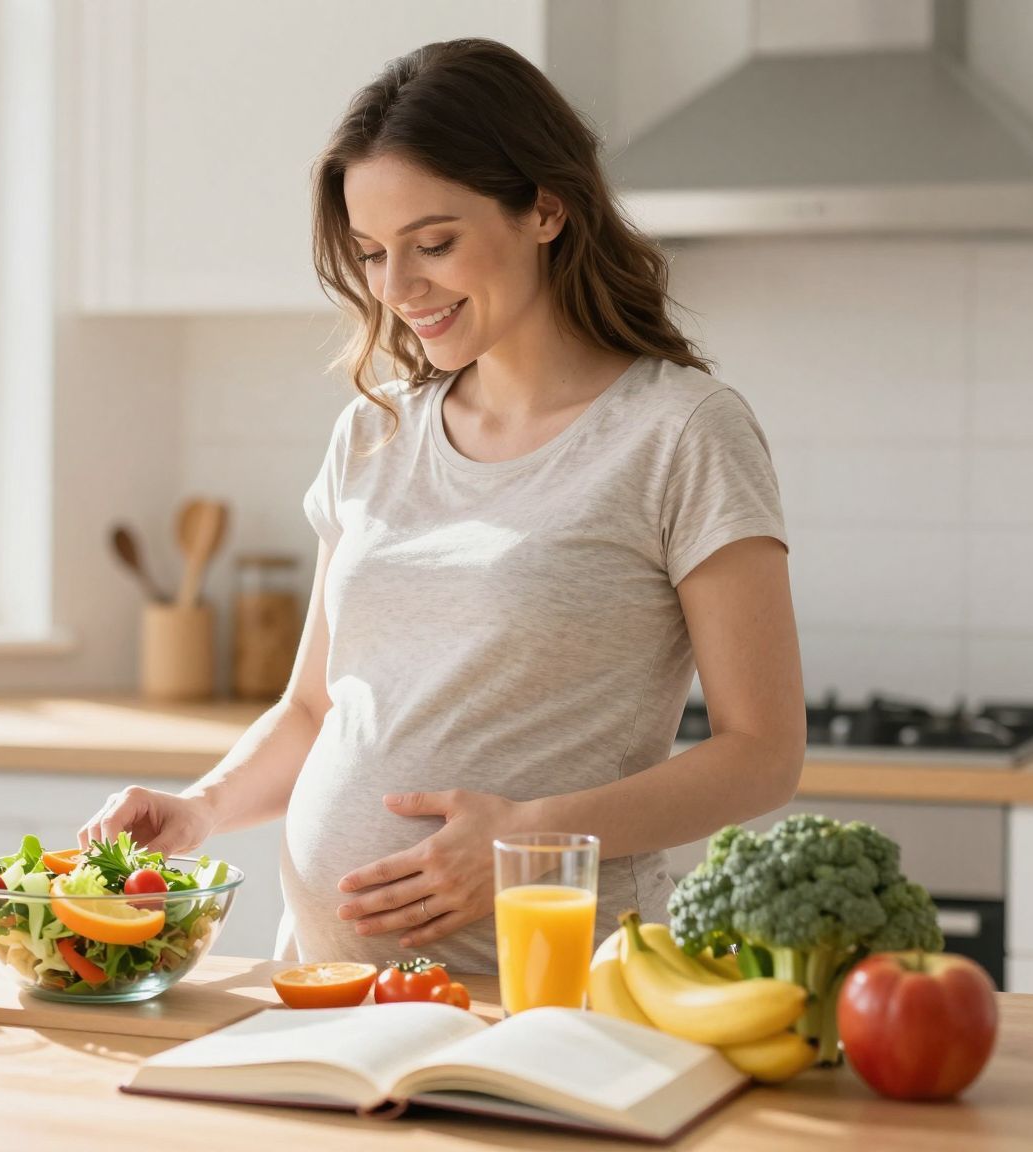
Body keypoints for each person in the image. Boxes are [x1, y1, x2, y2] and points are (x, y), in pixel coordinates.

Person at [79, 39, 804, 973]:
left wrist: (528, 838)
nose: (396, 288)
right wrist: (202, 807)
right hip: (328, 986)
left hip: (545, 993)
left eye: (433, 244)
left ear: (546, 208)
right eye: (372, 253)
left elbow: (762, 753)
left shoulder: (681, 432)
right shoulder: (373, 431)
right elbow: (313, 708)